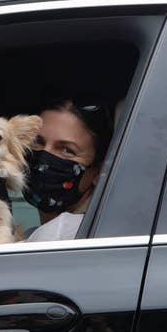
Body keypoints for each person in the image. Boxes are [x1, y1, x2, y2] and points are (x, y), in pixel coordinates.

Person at [23, 96, 113, 241]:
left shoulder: (61, 235)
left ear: (99, 171)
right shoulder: (33, 236)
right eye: (38, 142)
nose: (44, 157)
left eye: (67, 150)